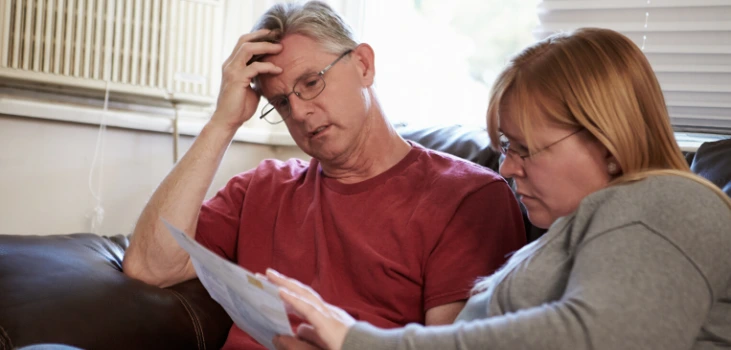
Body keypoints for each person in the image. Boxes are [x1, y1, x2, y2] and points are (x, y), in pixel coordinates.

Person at [265, 27, 731, 350]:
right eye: (506, 146)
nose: (506, 168)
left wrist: (358, 340)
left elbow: (601, 338)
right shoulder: (580, 229)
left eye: (525, 148)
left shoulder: (668, 203)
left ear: (607, 141)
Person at [122, 1, 526, 349]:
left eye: (311, 83)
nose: (298, 112)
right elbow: (149, 268)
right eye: (281, 102)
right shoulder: (262, 188)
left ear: (364, 65)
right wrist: (221, 124)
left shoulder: (468, 197)